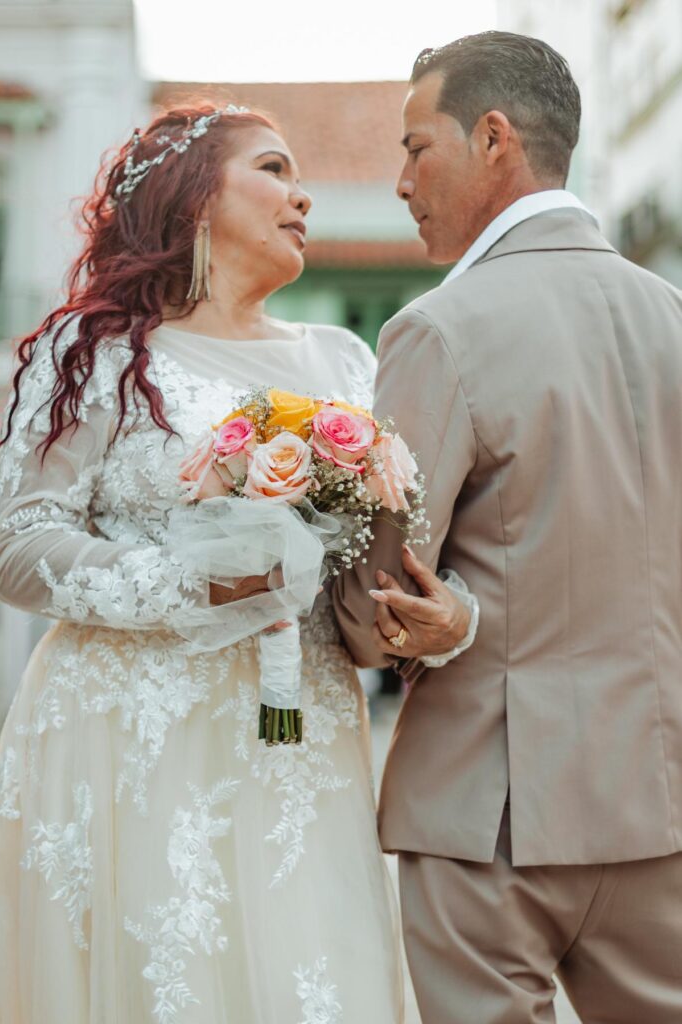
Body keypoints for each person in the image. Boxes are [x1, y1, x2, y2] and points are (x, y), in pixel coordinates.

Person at [0, 102, 466, 1023]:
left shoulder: (340, 363)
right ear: (194, 199)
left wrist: (427, 620)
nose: (303, 197)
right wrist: (201, 585)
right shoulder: (93, 354)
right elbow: (19, 544)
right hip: (129, 735)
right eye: (274, 169)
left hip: (297, 742)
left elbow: (373, 566)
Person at [333, 30, 682, 1024]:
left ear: (492, 138)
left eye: (413, 147)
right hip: (655, 801)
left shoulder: (438, 328)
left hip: (490, 810)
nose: (398, 179)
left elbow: (374, 605)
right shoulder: (668, 313)